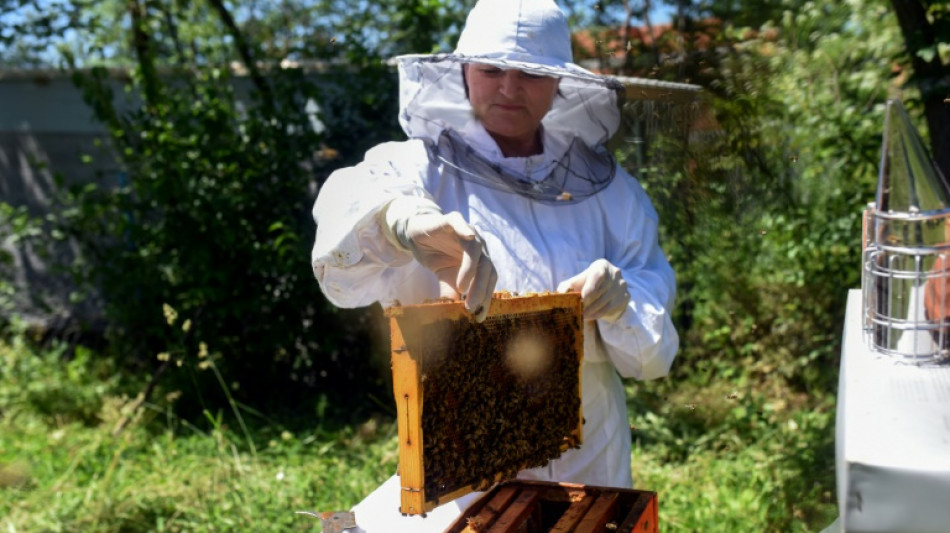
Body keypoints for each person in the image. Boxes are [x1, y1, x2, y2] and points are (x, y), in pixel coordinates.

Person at [311, 0, 679, 527]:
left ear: (559, 82)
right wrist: (397, 220)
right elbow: (342, 235)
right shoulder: (415, 168)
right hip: (462, 470)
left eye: (531, 73)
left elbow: (653, 359)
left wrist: (623, 304)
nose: (509, 88)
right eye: (490, 70)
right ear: (464, 71)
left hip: (590, 458)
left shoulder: (613, 194)